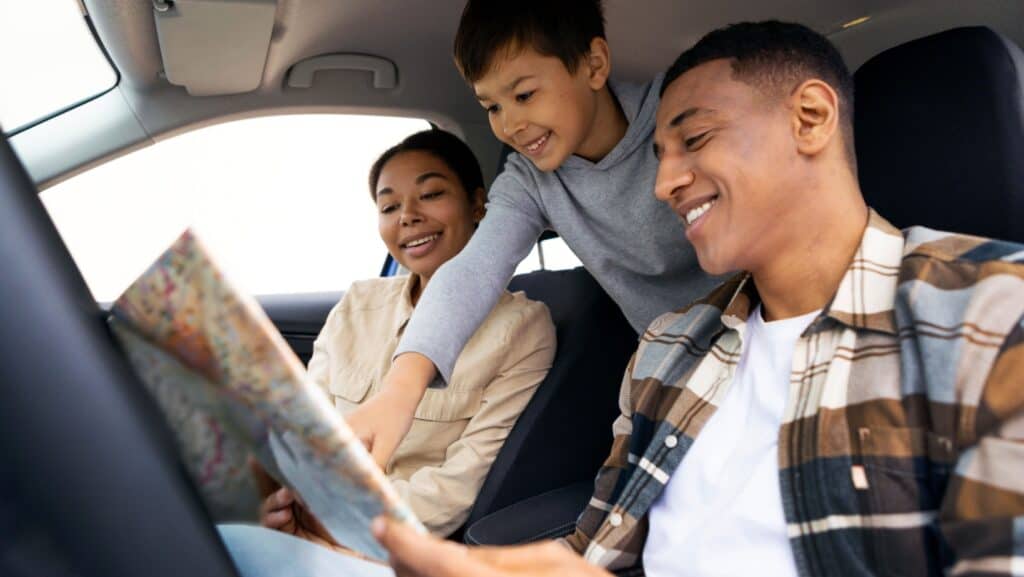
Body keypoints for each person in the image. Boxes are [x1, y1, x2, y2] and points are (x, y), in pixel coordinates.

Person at [371, 21, 1024, 577]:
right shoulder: (663, 355)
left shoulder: (988, 313)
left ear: (812, 118)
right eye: (658, 155)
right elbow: (473, 270)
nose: (663, 184)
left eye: (695, 139)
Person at [345, 0, 722, 469]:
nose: (510, 125)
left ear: (594, 65)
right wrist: (400, 390)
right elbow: (473, 271)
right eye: (492, 106)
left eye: (524, 95)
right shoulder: (531, 179)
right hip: (675, 373)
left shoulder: (677, 115)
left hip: (761, 338)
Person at [257, 128, 556, 542]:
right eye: (389, 205)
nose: (407, 215)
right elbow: (304, 429)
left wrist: (342, 519)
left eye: (431, 194)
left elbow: (458, 486)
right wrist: (278, 501)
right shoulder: (357, 305)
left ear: (477, 205)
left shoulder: (522, 329)